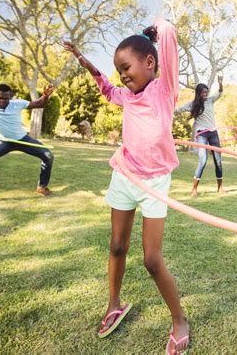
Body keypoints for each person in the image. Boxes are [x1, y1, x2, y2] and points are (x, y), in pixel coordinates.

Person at [64, 19, 190, 355]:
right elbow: (105, 88)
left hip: (154, 181)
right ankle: (113, 303)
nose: (122, 75)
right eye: (119, 69)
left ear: (149, 63)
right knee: (117, 246)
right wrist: (82, 59)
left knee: (151, 260)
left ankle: (179, 320)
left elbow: (169, 50)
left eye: (126, 67)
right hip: (124, 175)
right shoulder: (126, 96)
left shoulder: (165, 90)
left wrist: (161, 26)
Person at [174, 78, 224, 196]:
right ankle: (194, 190)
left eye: (206, 92)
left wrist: (220, 83)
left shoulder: (210, 100)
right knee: (203, 160)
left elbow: (220, 92)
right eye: (202, 92)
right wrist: (166, 106)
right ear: (198, 93)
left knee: (218, 160)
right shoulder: (193, 104)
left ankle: (220, 188)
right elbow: (177, 110)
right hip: (201, 133)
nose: (205, 94)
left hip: (213, 132)